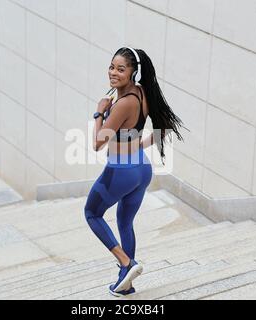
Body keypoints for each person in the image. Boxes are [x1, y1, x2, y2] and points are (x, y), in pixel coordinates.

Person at [85, 47, 186, 297]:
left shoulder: (123, 103)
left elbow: (98, 143)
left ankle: (126, 263)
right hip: (141, 168)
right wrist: (135, 145)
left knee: (92, 213)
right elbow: (162, 131)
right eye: (112, 67)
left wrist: (99, 112)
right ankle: (126, 284)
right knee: (124, 221)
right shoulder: (142, 94)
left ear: (132, 72)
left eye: (121, 69)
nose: (114, 73)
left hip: (121, 170)